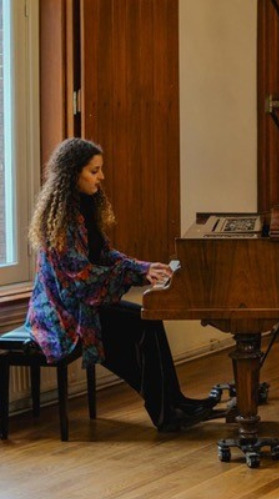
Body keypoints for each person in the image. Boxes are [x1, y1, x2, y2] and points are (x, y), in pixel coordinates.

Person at [25, 138, 218, 433]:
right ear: (73, 173)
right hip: (62, 312)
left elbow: (104, 255)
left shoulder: (83, 206)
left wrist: (143, 268)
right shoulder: (61, 221)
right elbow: (80, 277)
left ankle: (175, 403)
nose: (101, 176)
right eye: (94, 171)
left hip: (81, 301)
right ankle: (167, 414)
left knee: (149, 320)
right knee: (140, 328)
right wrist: (132, 275)